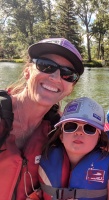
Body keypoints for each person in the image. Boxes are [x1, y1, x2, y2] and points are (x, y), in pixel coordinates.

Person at [0, 38, 84, 200]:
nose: (56, 77)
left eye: (68, 74)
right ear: (27, 72)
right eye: (46, 66)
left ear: (71, 88)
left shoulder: (59, 130)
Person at [39, 97, 109, 200]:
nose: (79, 132)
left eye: (89, 128)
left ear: (98, 138)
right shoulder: (44, 157)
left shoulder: (107, 171)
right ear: (61, 135)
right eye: (70, 126)